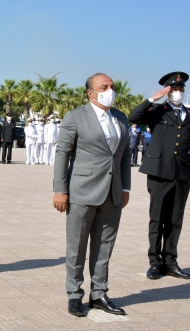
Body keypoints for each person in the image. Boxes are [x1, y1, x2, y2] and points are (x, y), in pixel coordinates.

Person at [53, 72, 131, 317]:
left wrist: (126, 187)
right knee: (76, 247)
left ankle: (99, 294)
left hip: (113, 193)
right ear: (91, 93)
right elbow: (62, 154)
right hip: (82, 192)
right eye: (104, 86)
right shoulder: (76, 117)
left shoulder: (120, 118)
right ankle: (74, 295)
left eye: (112, 86)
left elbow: (124, 156)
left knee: (104, 247)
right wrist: (60, 190)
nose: (110, 90)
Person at [128, 71, 190, 280]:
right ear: (167, 91)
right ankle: (155, 262)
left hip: (181, 175)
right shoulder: (157, 111)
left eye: (180, 89)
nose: (178, 93)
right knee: (157, 219)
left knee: (175, 220)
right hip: (159, 174)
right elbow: (133, 117)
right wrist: (153, 98)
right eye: (174, 89)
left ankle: (171, 261)